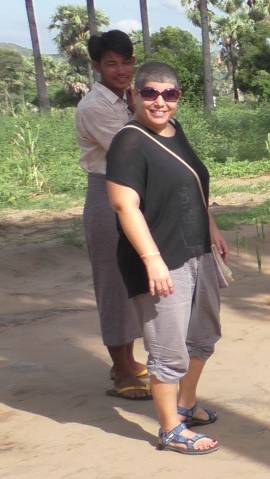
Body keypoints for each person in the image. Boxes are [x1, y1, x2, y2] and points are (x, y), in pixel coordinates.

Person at [106, 61, 229, 455]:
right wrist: (152, 258)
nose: (160, 101)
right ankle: (170, 428)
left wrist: (211, 228)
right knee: (167, 350)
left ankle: (185, 404)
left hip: (197, 250)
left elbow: (192, 185)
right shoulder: (128, 141)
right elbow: (125, 206)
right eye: (150, 93)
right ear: (135, 95)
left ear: (178, 98)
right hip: (162, 259)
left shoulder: (175, 131)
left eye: (169, 94)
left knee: (204, 336)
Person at [74, 29, 149, 401]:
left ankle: (130, 359)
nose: (121, 70)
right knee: (113, 284)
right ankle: (122, 370)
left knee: (137, 278)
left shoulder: (127, 97)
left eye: (126, 62)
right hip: (107, 193)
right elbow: (130, 148)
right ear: (97, 66)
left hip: (137, 193)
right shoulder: (95, 107)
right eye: (111, 63)